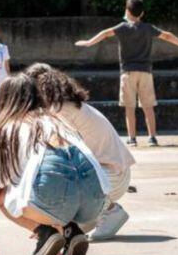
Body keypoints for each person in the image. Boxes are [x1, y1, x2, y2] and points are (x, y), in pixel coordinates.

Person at [0, 74, 113, 255]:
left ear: (3, 100)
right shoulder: (59, 120)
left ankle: (45, 234)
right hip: (95, 201)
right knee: (60, 184)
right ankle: (70, 232)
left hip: (56, 198)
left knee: (3, 195)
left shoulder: (2, 131)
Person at [25, 63, 135, 242]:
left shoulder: (59, 111)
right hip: (114, 174)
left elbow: (58, 158)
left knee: (54, 176)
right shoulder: (69, 106)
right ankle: (90, 216)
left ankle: (110, 210)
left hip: (111, 177)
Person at [75, 0, 178, 147]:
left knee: (129, 107)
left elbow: (105, 33)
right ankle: (152, 138)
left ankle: (132, 138)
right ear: (142, 13)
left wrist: (89, 42)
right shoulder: (148, 28)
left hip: (127, 73)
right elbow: (167, 35)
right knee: (148, 107)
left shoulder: (122, 28)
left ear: (127, 11)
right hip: (145, 72)